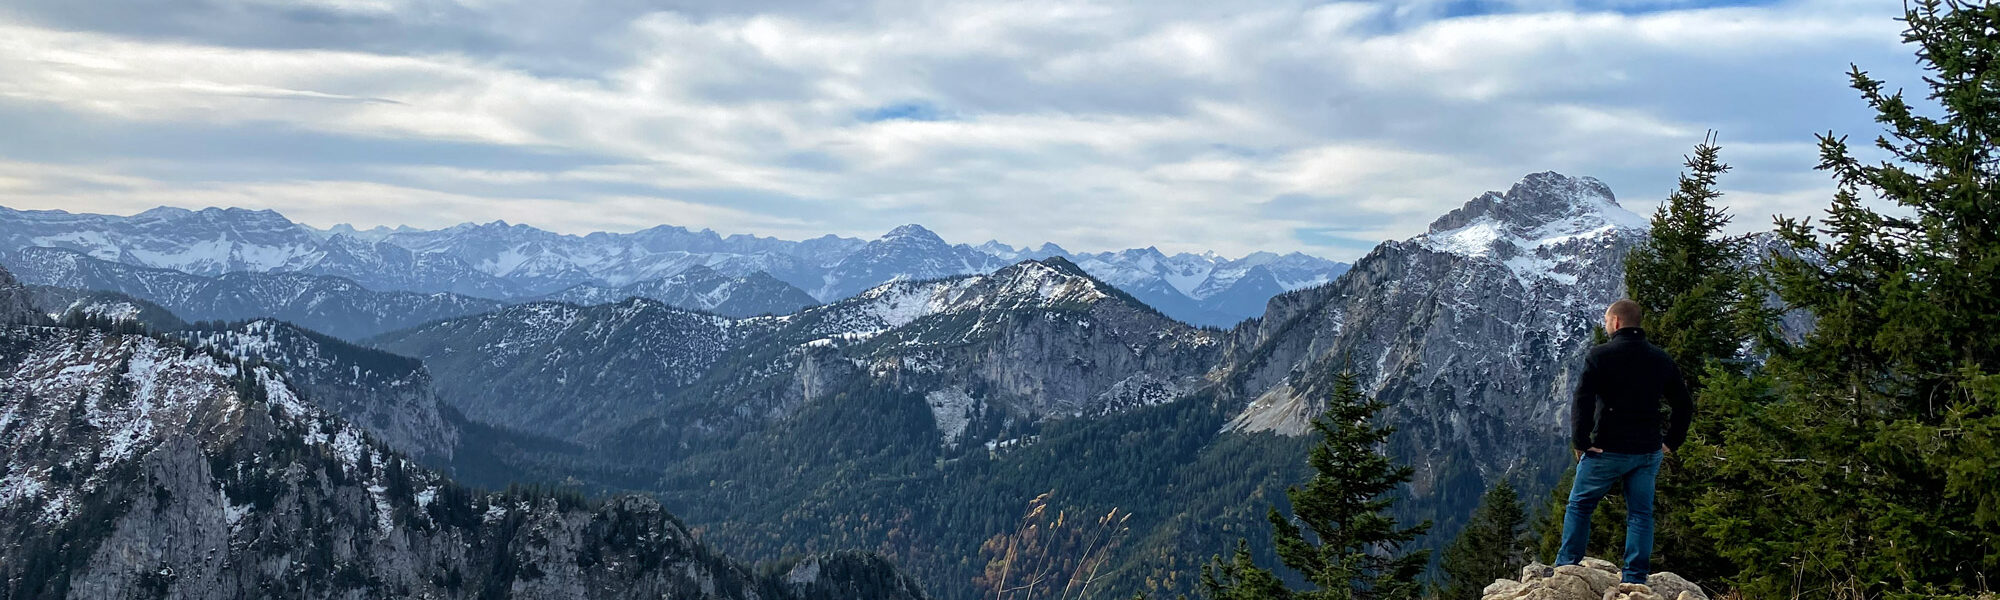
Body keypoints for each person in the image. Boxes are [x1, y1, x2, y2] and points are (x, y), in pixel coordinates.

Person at [1555, 298, 1693, 584]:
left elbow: (1583, 401)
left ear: (1616, 322)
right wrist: (1671, 442)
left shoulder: (1600, 355)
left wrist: (1581, 440)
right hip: (1647, 450)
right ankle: (1634, 578)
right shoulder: (1660, 358)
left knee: (1580, 505)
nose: (1606, 325)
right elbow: (1684, 404)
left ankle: (1567, 566)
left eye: (1606, 321)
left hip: (1608, 448)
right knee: (1640, 514)